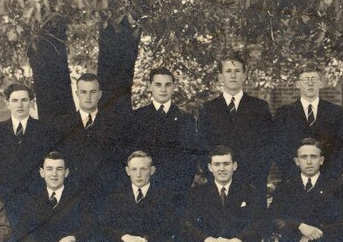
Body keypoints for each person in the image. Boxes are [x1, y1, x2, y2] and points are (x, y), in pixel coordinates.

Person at [196, 54, 273, 204]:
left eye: (237, 71)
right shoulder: (208, 109)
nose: (233, 75)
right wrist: (215, 177)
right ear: (221, 77)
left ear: (244, 76)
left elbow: (268, 146)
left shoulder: (259, 107)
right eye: (228, 71)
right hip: (219, 184)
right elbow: (202, 147)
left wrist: (256, 177)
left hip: (252, 184)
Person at [53, 73, 129, 209]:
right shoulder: (63, 124)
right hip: (72, 196)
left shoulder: (115, 123)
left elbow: (120, 160)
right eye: (83, 92)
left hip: (107, 195)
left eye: (93, 92)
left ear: (99, 94)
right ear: (77, 94)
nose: (88, 97)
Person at [0, 82, 57, 226]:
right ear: (8, 103)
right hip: (4, 199)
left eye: (24, 100)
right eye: (15, 100)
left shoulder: (44, 130)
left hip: (35, 198)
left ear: (31, 103)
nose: (20, 105)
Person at [129, 67, 199, 205]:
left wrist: (181, 188)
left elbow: (191, 157)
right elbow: (132, 156)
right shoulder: (137, 117)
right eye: (158, 85)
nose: (163, 89)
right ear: (150, 86)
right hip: (145, 192)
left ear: (173, 87)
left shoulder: (185, 117)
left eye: (167, 85)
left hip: (175, 193)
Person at [273, 64, 343, 181]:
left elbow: (342, 147)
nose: (310, 83)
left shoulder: (335, 112)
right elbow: (278, 149)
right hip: (293, 181)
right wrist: (292, 177)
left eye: (314, 79)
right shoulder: (284, 114)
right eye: (305, 79)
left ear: (321, 84)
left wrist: (331, 177)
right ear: (298, 84)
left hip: (328, 180)